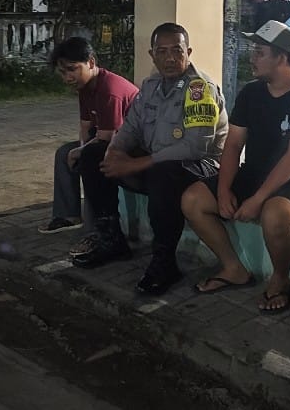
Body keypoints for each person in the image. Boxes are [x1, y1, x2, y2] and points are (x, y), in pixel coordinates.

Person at [182, 20, 290, 313]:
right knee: (193, 199)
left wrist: (258, 199)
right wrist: (223, 190)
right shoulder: (251, 93)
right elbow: (233, 144)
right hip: (254, 173)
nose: (252, 58)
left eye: (260, 52)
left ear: (282, 58)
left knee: (274, 216)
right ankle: (232, 268)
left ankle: (280, 279)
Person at [70, 22, 228, 296]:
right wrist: (114, 150)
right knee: (94, 154)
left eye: (177, 51)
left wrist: (136, 163)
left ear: (188, 52)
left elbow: (195, 147)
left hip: (201, 169)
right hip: (160, 163)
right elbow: (131, 126)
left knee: (163, 173)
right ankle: (111, 238)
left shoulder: (199, 88)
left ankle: (164, 261)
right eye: (162, 51)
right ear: (152, 54)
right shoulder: (151, 85)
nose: (170, 58)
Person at [40, 37, 139, 235]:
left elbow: (107, 137)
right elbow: (85, 126)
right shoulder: (84, 88)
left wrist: (80, 152)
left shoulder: (110, 89)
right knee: (64, 153)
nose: (68, 77)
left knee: (89, 157)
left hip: (132, 145)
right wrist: (79, 148)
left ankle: (98, 227)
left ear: (91, 62)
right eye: (63, 72)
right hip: (108, 139)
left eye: (72, 69)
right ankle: (68, 216)